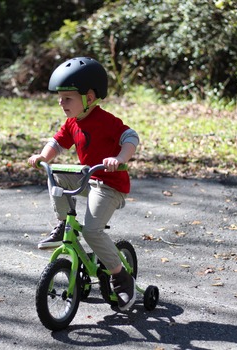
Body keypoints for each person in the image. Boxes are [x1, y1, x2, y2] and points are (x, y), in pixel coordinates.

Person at [28, 57, 140, 312]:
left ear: (89, 97)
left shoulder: (105, 120)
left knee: (91, 231)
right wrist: (44, 157)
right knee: (54, 174)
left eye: (68, 98)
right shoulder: (72, 122)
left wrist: (120, 158)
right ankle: (63, 223)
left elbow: (130, 136)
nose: (61, 102)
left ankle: (121, 277)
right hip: (88, 178)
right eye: (60, 97)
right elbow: (57, 142)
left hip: (109, 184)